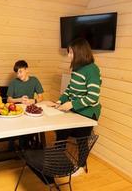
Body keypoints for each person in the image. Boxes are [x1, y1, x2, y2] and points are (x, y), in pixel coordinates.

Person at [47, 37, 101, 171]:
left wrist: (71, 105)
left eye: (71, 52)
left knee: (82, 141)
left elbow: (93, 98)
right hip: (76, 109)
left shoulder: (92, 70)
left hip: (88, 113)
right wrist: (60, 101)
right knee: (61, 132)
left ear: (80, 52)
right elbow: (70, 89)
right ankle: (57, 160)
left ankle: (81, 166)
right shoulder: (77, 68)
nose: (69, 55)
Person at [7, 60, 44, 150]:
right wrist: (19, 99)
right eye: (17, 73)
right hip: (16, 110)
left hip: (29, 110)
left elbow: (41, 97)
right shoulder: (13, 82)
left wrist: (33, 100)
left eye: (20, 71)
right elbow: (9, 100)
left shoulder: (34, 80)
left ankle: (30, 146)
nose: (18, 75)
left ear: (26, 69)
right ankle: (22, 147)